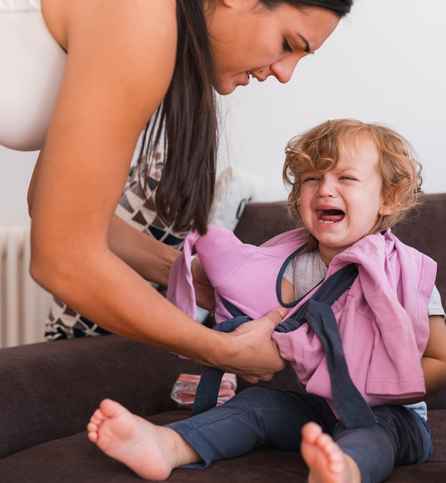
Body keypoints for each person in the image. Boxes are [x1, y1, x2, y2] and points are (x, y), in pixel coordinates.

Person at [0, 0, 352, 380]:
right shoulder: (139, 20)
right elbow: (64, 259)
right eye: (288, 43)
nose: (285, 74)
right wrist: (221, 350)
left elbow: (48, 203)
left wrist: (183, 272)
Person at [87, 119, 446, 483]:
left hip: (393, 413)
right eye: (312, 178)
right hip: (318, 409)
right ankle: (168, 445)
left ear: (388, 199)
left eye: (346, 177)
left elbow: (440, 363)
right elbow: (252, 313)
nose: (325, 189)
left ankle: (345, 469)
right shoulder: (289, 268)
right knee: (255, 404)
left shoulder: (408, 275)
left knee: (374, 430)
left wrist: (371, 387)